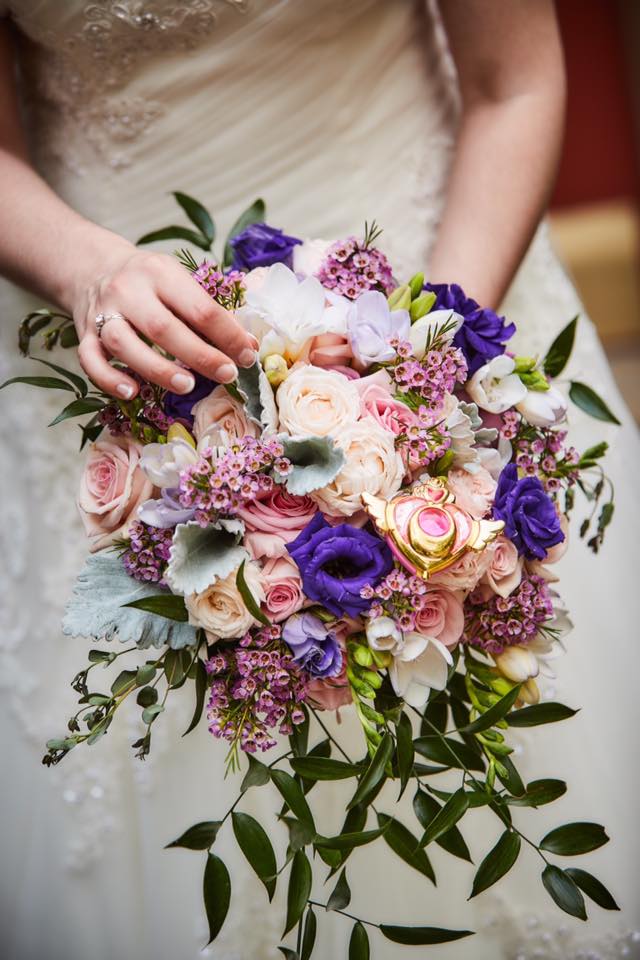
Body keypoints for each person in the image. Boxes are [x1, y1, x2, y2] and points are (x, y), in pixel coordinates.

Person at [0, 2, 638, 958]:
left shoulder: (430, 361)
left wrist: (425, 390)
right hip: (111, 336)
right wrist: (88, 273)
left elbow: (516, 83)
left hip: (433, 271)